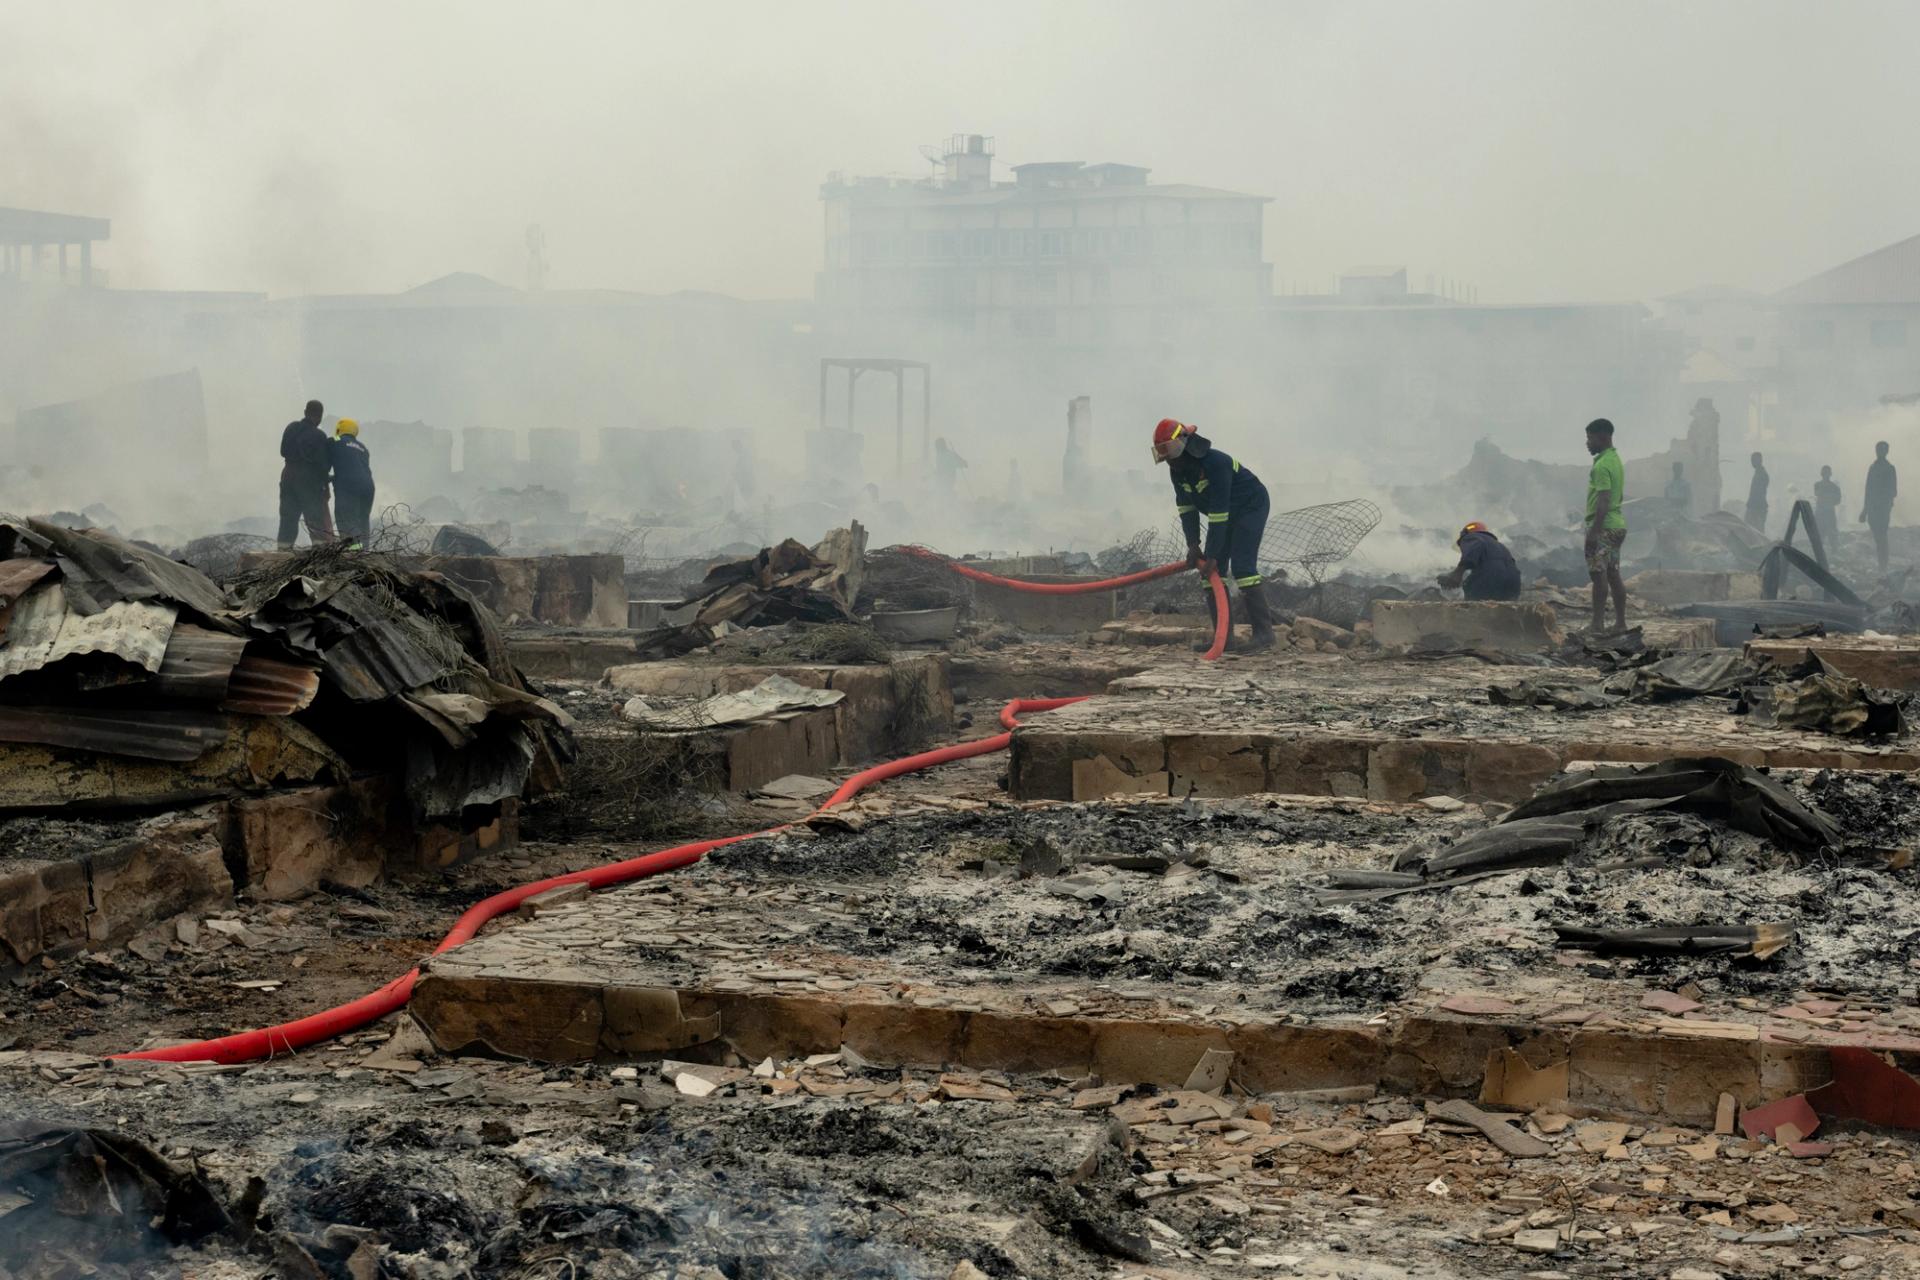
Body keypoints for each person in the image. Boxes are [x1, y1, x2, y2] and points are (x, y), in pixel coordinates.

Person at [1151, 417, 1277, 651]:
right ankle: (1224, 639)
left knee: (1243, 569)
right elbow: (1186, 509)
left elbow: (1219, 512)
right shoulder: (1177, 472)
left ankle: (1264, 635)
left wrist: (1213, 554)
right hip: (1225, 515)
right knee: (1211, 575)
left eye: (1169, 449)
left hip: (1250, 507)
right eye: (1161, 452)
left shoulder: (1215, 463)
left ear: (1184, 443)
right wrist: (1193, 544)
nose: (1167, 457)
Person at [1584, 418, 1628, 635]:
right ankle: (1620, 623)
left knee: (1598, 575)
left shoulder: (1602, 465)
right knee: (1613, 574)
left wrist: (1594, 531)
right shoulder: (1615, 460)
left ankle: (1597, 625)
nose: (1587, 443)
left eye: (1590, 438)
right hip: (1617, 526)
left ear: (1603, 437)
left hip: (1603, 527)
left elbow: (1604, 498)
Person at [277, 400, 335, 548]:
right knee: (314, 519)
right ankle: (320, 552)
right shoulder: (319, 436)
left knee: (288, 518)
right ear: (320, 416)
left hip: (288, 476)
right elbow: (323, 465)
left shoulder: (291, 428)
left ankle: (283, 551)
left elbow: (282, 451)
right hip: (309, 480)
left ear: (305, 412)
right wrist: (326, 482)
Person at [1437, 521, 1521, 601]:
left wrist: (1458, 572)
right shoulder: (1500, 546)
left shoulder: (1472, 537)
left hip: (1491, 578)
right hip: (1514, 585)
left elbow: (1474, 550)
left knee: (1470, 593)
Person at [329, 418, 375, 549]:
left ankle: (354, 552)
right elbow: (356, 467)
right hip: (368, 487)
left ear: (339, 430)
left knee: (347, 519)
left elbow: (325, 458)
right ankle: (365, 551)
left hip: (348, 485)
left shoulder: (336, 440)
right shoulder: (362, 447)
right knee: (362, 520)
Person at [1863, 440, 1898, 574]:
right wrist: (1865, 510)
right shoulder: (1872, 467)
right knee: (1878, 536)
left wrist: (1883, 501)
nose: (1880, 452)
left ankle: (1883, 566)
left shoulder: (1890, 468)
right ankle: (1882, 564)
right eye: (1878, 449)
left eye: (1882, 450)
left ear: (1886, 451)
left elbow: (1893, 491)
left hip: (1882, 509)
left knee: (1881, 537)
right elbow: (1868, 489)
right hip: (1873, 508)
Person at [1813, 465, 1842, 543]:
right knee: (1828, 533)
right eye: (1825, 473)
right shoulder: (1834, 487)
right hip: (1826, 512)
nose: (1826, 475)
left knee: (1825, 533)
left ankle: (1831, 550)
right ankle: (1833, 550)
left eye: (1826, 473)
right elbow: (1838, 501)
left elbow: (1817, 493)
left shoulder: (1818, 485)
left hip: (1823, 512)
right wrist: (1829, 501)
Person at [1746, 451, 1770, 533]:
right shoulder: (1759, 473)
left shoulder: (1762, 474)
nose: (1752, 462)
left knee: (1756, 532)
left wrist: (1751, 506)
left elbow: (1758, 493)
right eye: (1751, 460)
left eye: (1753, 460)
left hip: (1757, 508)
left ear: (1759, 461)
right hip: (1756, 507)